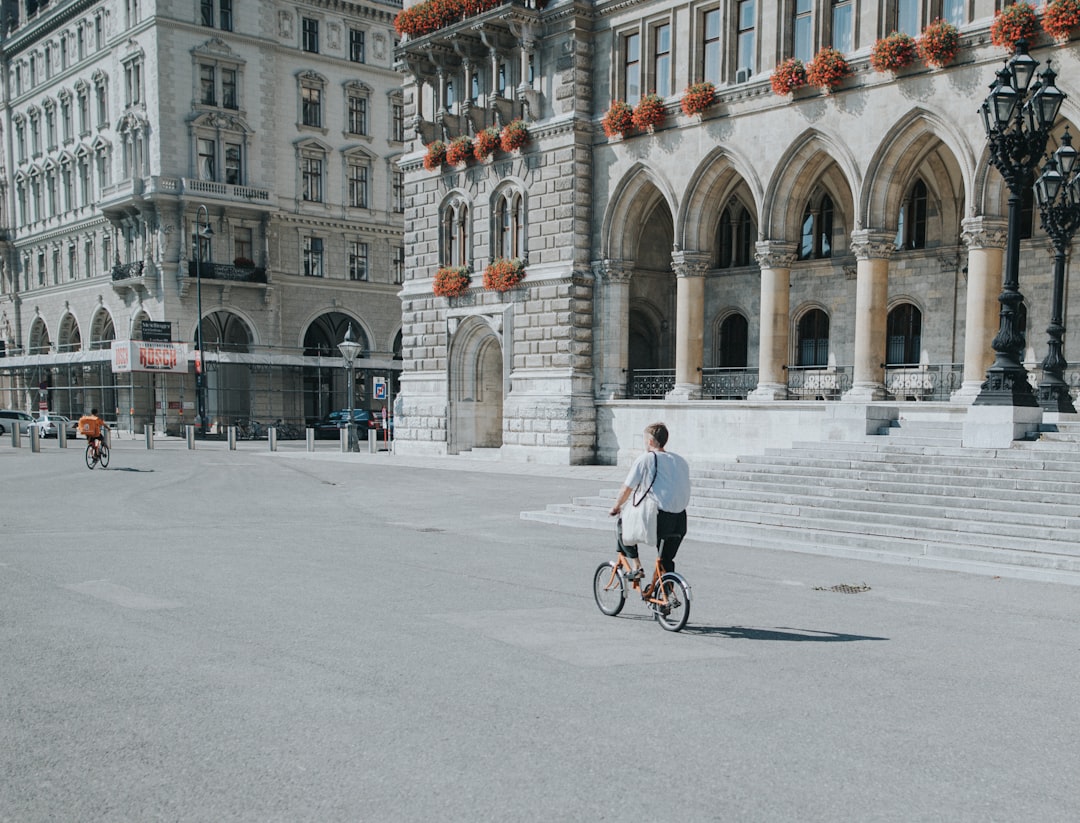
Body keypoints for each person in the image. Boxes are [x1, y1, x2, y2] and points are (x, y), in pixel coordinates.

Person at [609, 422, 691, 581]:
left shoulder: (646, 459)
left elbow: (627, 488)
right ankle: (665, 595)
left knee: (621, 524)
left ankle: (636, 566)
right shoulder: (680, 460)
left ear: (650, 441)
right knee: (666, 560)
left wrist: (616, 507)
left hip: (659, 518)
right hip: (680, 520)